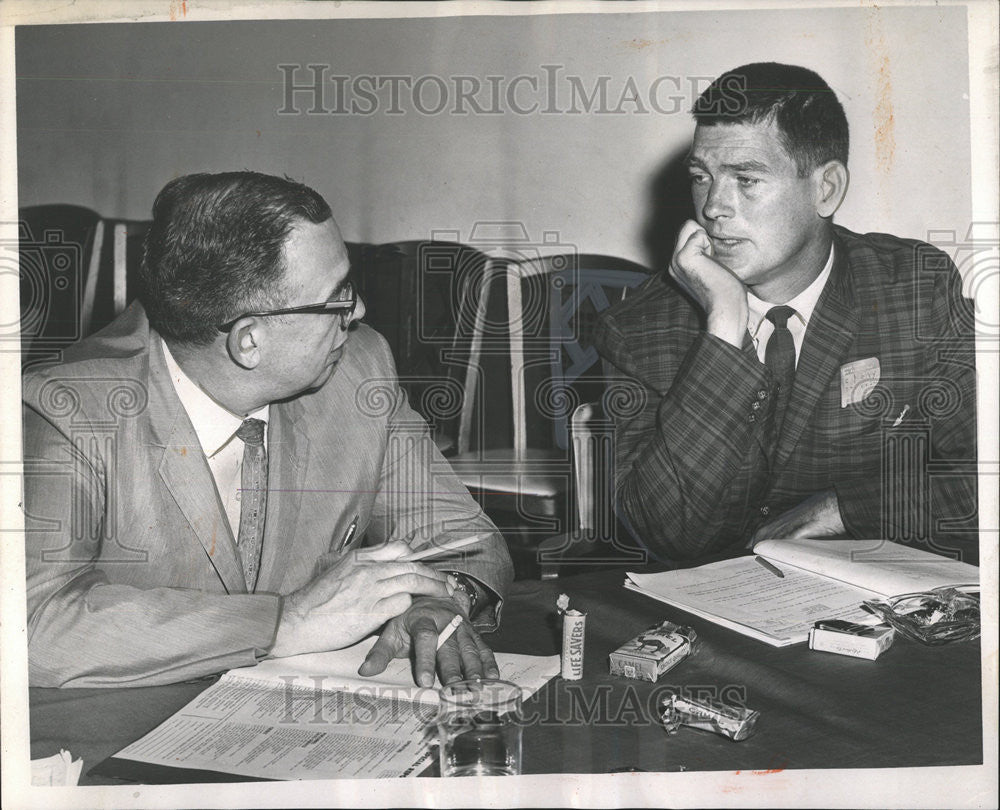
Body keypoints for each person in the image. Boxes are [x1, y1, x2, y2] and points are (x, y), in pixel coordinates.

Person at [22, 171, 513, 688]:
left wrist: (437, 597)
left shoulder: (357, 370)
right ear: (248, 342)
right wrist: (287, 620)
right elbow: (32, 625)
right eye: (337, 295)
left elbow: (464, 539)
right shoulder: (69, 411)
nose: (360, 311)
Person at [595, 63, 978, 565]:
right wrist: (724, 325)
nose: (712, 207)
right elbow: (670, 535)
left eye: (746, 179)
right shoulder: (638, 329)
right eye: (700, 177)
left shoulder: (913, 286)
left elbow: (984, 477)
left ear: (827, 189)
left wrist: (843, 509)